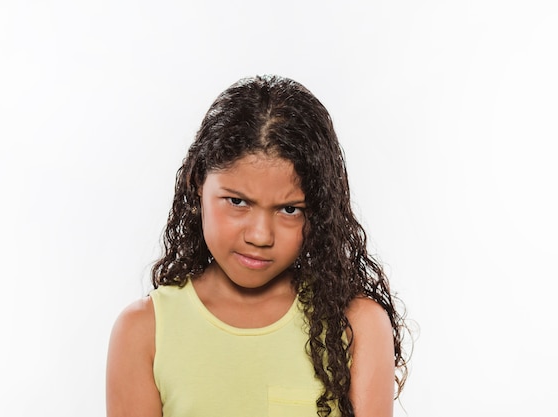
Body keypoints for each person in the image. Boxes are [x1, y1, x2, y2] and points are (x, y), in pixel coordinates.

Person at [106, 75, 410, 417]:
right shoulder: (145, 331)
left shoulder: (357, 325)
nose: (260, 235)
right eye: (237, 202)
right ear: (197, 185)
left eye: (289, 209)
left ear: (319, 212)